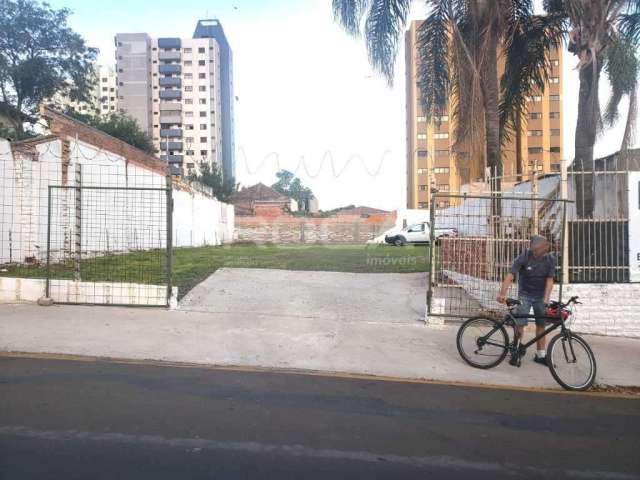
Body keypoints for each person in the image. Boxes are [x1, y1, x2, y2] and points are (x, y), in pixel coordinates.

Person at [497, 235, 557, 366]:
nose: (535, 252)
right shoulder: (524, 256)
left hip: (540, 296)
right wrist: (502, 293)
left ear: (544, 248)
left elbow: (549, 280)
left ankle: (541, 355)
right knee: (520, 324)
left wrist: (546, 299)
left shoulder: (550, 259)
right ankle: (516, 350)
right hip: (525, 295)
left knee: (541, 324)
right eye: (533, 250)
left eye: (537, 250)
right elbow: (510, 275)